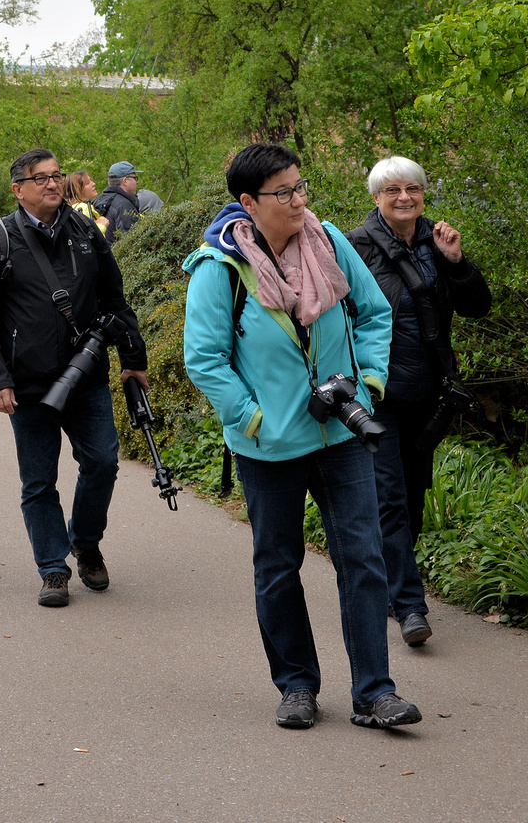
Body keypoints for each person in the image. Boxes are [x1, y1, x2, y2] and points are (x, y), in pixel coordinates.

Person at [182, 142, 422, 730]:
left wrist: (365, 383)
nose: (298, 199)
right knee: (278, 565)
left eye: (300, 186)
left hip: (341, 433)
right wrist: (253, 417)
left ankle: (375, 691)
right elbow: (205, 358)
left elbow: (374, 313)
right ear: (248, 202)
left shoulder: (329, 241)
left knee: (363, 560)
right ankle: (296, 686)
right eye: (283, 192)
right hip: (269, 447)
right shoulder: (219, 269)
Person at [0, 148, 148, 607]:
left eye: (56, 175)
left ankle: (84, 540)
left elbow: (115, 299)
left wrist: (134, 355)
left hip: (85, 379)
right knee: (39, 482)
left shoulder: (86, 229)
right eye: (40, 177)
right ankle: (52, 568)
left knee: (103, 462)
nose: (51, 183)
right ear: (18, 188)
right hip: (26, 386)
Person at [346, 155, 491, 648]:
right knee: (389, 499)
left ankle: (392, 585)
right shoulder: (354, 246)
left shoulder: (437, 241)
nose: (404, 198)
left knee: (412, 495)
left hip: (429, 395)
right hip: (377, 391)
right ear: (376, 198)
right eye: (393, 191)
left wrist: (456, 262)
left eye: (413, 189)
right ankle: (411, 605)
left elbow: (477, 307)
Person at [92, 161, 144, 236]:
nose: (137, 182)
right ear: (125, 181)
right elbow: (132, 240)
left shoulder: (98, 200)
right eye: (135, 178)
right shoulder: (124, 205)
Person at [65, 169, 109, 234]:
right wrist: (102, 225)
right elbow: (88, 236)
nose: (94, 184)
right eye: (88, 183)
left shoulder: (71, 208)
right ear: (79, 189)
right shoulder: (83, 208)